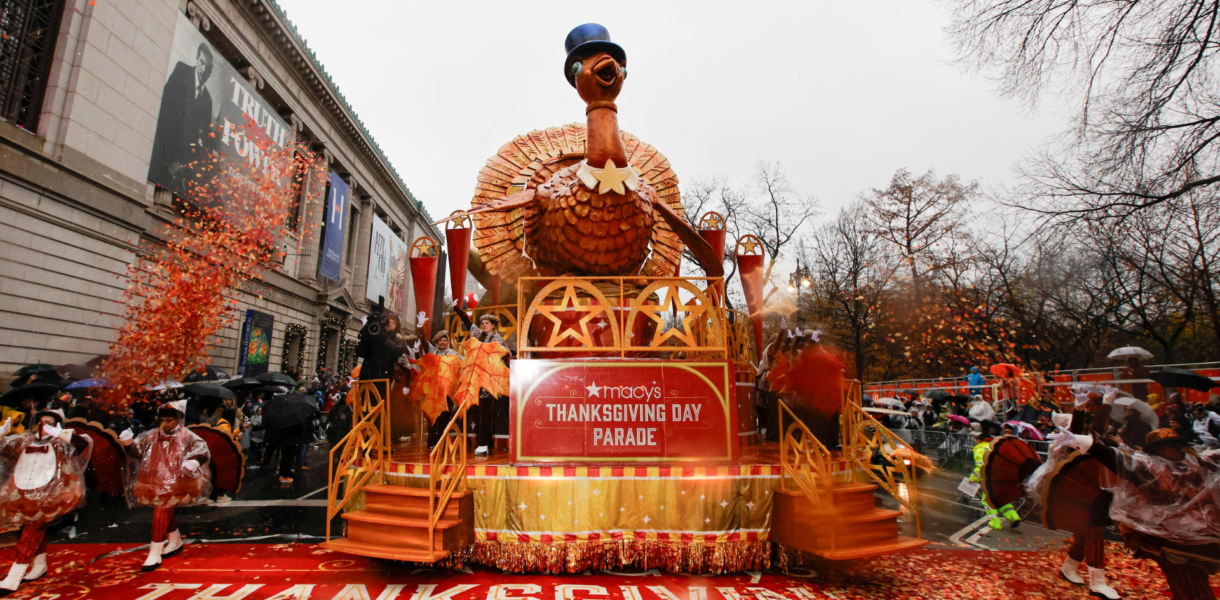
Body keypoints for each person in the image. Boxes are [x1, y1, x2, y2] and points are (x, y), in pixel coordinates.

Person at [1055, 424, 1220, 599]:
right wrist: (1083, 442)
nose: (1181, 448)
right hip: (1170, 541)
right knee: (1189, 585)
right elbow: (1117, 460)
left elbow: (1214, 459)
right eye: (1174, 445)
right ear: (1160, 450)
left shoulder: (1192, 462)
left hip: (1199, 537)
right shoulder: (1149, 468)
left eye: (1180, 443)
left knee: (1195, 582)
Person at [0, 408, 90, 596]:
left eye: (49, 423)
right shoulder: (25, 440)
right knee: (32, 525)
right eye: (41, 423)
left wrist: (61, 434)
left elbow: (82, 444)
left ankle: (15, 575)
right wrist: (1, 435)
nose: (44, 427)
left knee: (32, 528)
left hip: (51, 494)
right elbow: (6, 453)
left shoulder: (60, 443)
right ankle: (39, 565)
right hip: (24, 489)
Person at [120, 400, 211, 572]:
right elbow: (138, 454)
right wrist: (128, 443)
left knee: (162, 509)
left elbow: (202, 452)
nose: (166, 423)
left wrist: (193, 461)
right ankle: (175, 540)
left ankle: (154, 552)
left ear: (177, 419)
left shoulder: (187, 435)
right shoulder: (152, 435)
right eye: (164, 419)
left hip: (180, 480)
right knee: (164, 508)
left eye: (170, 419)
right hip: (154, 480)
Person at [148, 42, 216, 193]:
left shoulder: (207, 100)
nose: (203, 70)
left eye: (208, 68)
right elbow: (165, 115)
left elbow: (202, 137)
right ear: (197, 59)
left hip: (182, 168)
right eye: (202, 63)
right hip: (163, 155)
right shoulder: (181, 72)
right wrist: (171, 159)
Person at [455, 301, 510, 456]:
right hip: (475, 380)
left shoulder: (496, 339)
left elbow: (506, 355)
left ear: (493, 325)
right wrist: (458, 310)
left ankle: (483, 443)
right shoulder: (478, 336)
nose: (484, 325)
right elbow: (468, 323)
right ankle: (484, 441)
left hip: (488, 381)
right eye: (482, 323)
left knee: (485, 412)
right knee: (476, 412)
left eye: (487, 323)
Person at [970, 421, 1021, 530]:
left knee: (988, 500)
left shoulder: (980, 449)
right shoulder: (993, 446)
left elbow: (980, 467)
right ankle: (1013, 517)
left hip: (990, 479)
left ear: (980, 440)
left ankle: (995, 523)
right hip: (1001, 477)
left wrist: (973, 478)